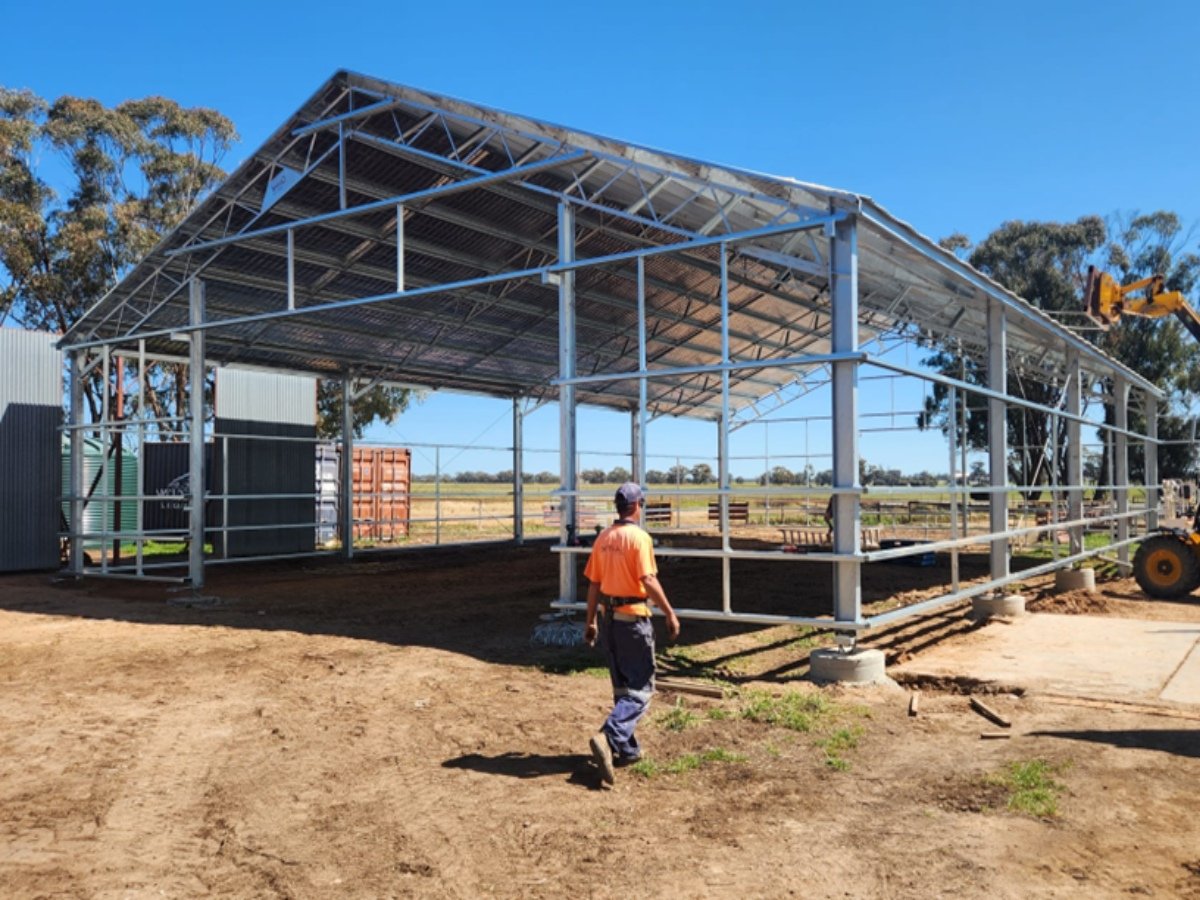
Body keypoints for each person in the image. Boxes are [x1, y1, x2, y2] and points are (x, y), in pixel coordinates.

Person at [583, 482, 680, 785]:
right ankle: (609, 736)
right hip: (633, 620)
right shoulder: (639, 538)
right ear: (638, 506)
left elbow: (594, 585)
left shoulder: (603, 538)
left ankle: (626, 750)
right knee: (641, 689)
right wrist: (670, 612)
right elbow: (648, 579)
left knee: (623, 689)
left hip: (609, 620)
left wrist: (591, 621)